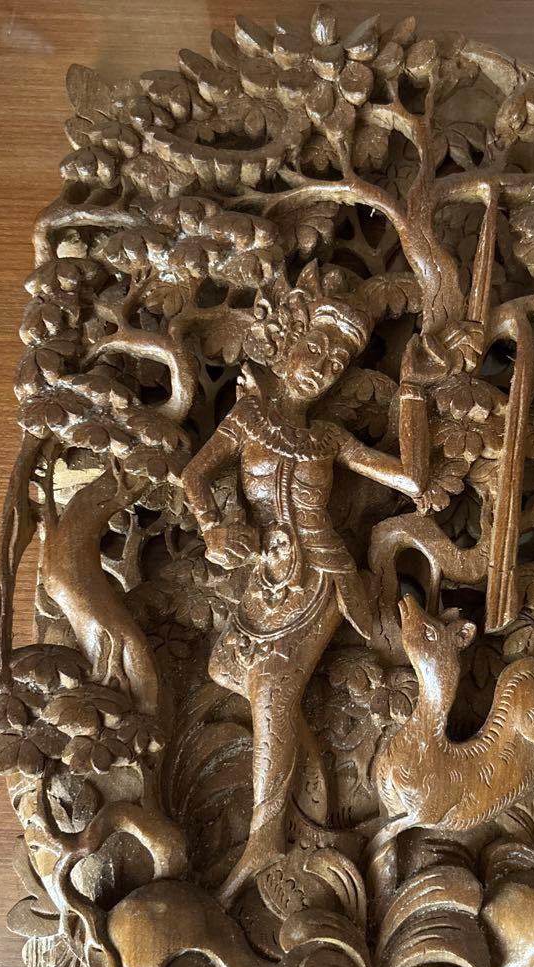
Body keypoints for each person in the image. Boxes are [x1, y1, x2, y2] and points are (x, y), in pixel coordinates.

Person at [181, 267, 437, 905]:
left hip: (323, 577)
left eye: (336, 364)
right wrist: (214, 527)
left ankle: (262, 841)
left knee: (273, 689)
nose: (321, 368)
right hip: (263, 579)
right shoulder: (248, 418)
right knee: (230, 673)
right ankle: (306, 803)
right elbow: (194, 476)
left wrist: (412, 387)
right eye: (317, 349)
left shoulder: (328, 438)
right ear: (290, 343)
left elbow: (408, 478)